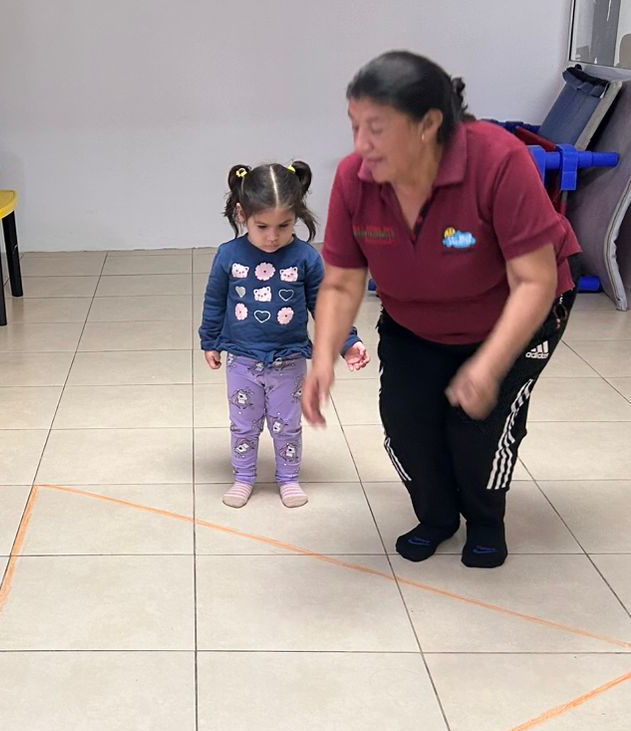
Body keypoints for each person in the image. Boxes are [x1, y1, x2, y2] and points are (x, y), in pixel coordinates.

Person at [303, 51, 580, 569]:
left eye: (377, 129)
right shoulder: (355, 179)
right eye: (355, 126)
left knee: (477, 429)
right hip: (415, 322)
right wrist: (322, 359)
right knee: (406, 423)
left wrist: (488, 365)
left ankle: (486, 521)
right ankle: (436, 517)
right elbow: (341, 281)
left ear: (429, 124)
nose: (361, 145)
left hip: (515, 316)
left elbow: (535, 280)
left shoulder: (498, 161)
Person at [199, 162, 369, 509]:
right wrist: (210, 340)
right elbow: (214, 300)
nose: (273, 237)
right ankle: (244, 477)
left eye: (284, 226)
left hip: (289, 360)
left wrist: (348, 342)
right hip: (242, 359)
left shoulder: (305, 257)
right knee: (243, 425)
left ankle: (289, 478)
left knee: (287, 425)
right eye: (262, 226)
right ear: (242, 214)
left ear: (297, 216)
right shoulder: (229, 255)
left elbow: (325, 305)